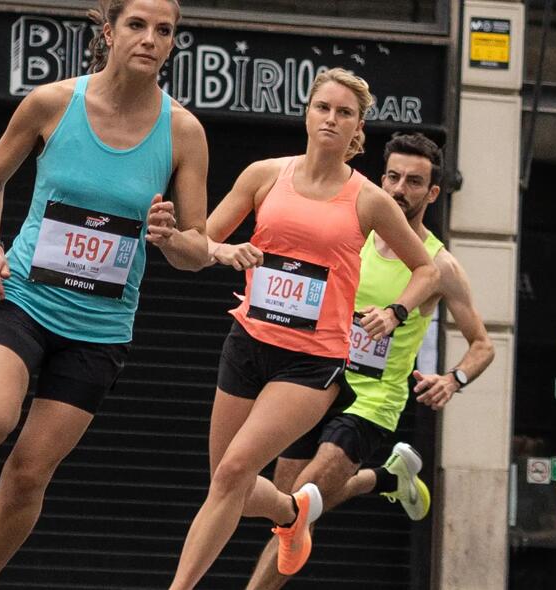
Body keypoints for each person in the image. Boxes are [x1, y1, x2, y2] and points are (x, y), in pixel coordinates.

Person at [0, 1, 212, 588]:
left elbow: (198, 249)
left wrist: (171, 239)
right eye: (137, 25)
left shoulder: (183, 132)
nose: (150, 39)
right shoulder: (54, 103)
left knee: (29, 476)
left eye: (164, 31)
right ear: (108, 32)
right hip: (25, 295)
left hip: (100, 330)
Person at [164, 68, 439, 589]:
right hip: (248, 342)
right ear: (307, 112)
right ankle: (292, 515)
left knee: (230, 476)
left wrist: (397, 311)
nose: (331, 119)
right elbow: (197, 248)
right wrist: (181, 241)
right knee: (230, 487)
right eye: (323, 108)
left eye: (344, 113)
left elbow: (425, 268)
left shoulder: (369, 199)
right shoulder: (264, 175)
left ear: (358, 127)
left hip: (311, 361)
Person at [241, 132, 496, 588]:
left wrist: (453, 379)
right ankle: (384, 479)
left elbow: (482, 343)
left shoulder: (439, 265)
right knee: (282, 500)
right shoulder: (351, 235)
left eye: (415, 182)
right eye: (393, 177)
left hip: (371, 401)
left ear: (433, 192)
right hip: (314, 383)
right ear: (381, 179)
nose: (400, 189)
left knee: (300, 505)